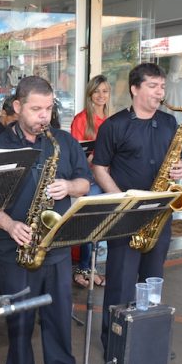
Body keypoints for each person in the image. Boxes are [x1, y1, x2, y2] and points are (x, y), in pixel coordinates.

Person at [0, 76, 94, 364]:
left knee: (59, 314)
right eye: (36, 109)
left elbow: (85, 183)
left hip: (56, 246)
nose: (43, 116)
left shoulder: (61, 141)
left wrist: (69, 187)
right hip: (13, 245)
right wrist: (9, 225)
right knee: (19, 315)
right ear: (17, 107)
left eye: (48, 108)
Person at [92, 62, 182, 351]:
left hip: (160, 214)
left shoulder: (170, 123)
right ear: (135, 89)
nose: (160, 92)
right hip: (126, 214)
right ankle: (114, 341)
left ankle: (147, 338)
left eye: (162, 86)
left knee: (153, 280)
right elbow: (99, 168)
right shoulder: (114, 125)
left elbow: (179, 161)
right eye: (153, 86)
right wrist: (125, 203)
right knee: (120, 283)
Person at [69, 75, 111, 288]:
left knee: (108, 226)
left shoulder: (112, 120)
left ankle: (97, 267)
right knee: (91, 225)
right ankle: (85, 269)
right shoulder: (81, 119)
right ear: (90, 94)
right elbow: (76, 157)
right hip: (91, 180)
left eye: (105, 91)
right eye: (97, 91)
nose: (101, 95)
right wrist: (93, 158)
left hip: (110, 180)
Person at [159, 56, 182, 125]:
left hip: (181, 121)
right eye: (176, 62)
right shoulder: (161, 81)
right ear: (171, 63)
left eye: (180, 63)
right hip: (163, 120)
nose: (178, 65)